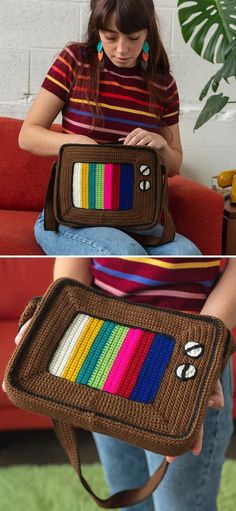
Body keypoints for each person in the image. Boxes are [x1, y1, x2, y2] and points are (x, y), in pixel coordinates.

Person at [4, 256, 235, 511]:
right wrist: (56, 316)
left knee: (181, 504)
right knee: (124, 488)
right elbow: (74, 251)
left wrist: (205, 352)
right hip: (98, 347)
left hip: (186, 355)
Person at [18, 0, 201, 256]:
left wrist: (160, 144)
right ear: (97, 30)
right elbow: (27, 136)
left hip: (137, 219)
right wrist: (80, 144)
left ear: (147, 32)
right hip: (72, 217)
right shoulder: (75, 61)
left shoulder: (163, 84)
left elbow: (174, 166)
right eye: (110, 37)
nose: (121, 49)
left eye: (133, 38)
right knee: (127, 252)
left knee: (187, 254)